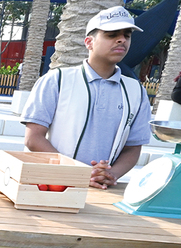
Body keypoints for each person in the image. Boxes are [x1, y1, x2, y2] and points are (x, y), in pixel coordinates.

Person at [21, 6, 151, 190]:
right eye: (111, 35)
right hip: (52, 186)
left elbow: (133, 148)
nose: (121, 40)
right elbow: (33, 138)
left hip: (103, 189)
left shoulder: (136, 91)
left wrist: (110, 175)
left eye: (127, 35)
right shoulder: (57, 80)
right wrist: (78, 173)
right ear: (89, 42)